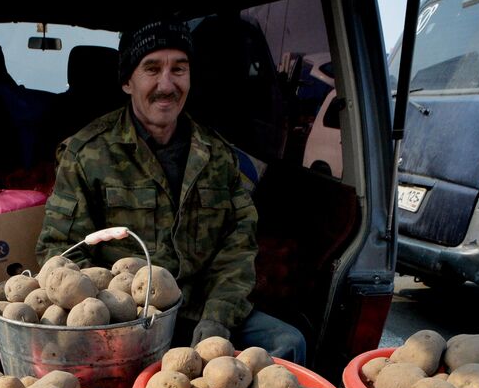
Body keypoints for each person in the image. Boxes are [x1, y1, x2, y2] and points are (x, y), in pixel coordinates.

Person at [36, 19, 307, 361]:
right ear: (127, 81)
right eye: (152, 68)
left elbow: (238, 249)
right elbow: (60, 249)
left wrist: (218, 318)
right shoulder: (86, 153)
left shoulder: (217, 156)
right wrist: (109, 317)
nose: (167, 84)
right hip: (126, 318)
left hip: (200, 309)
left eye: (178, 69)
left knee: (288, 342)